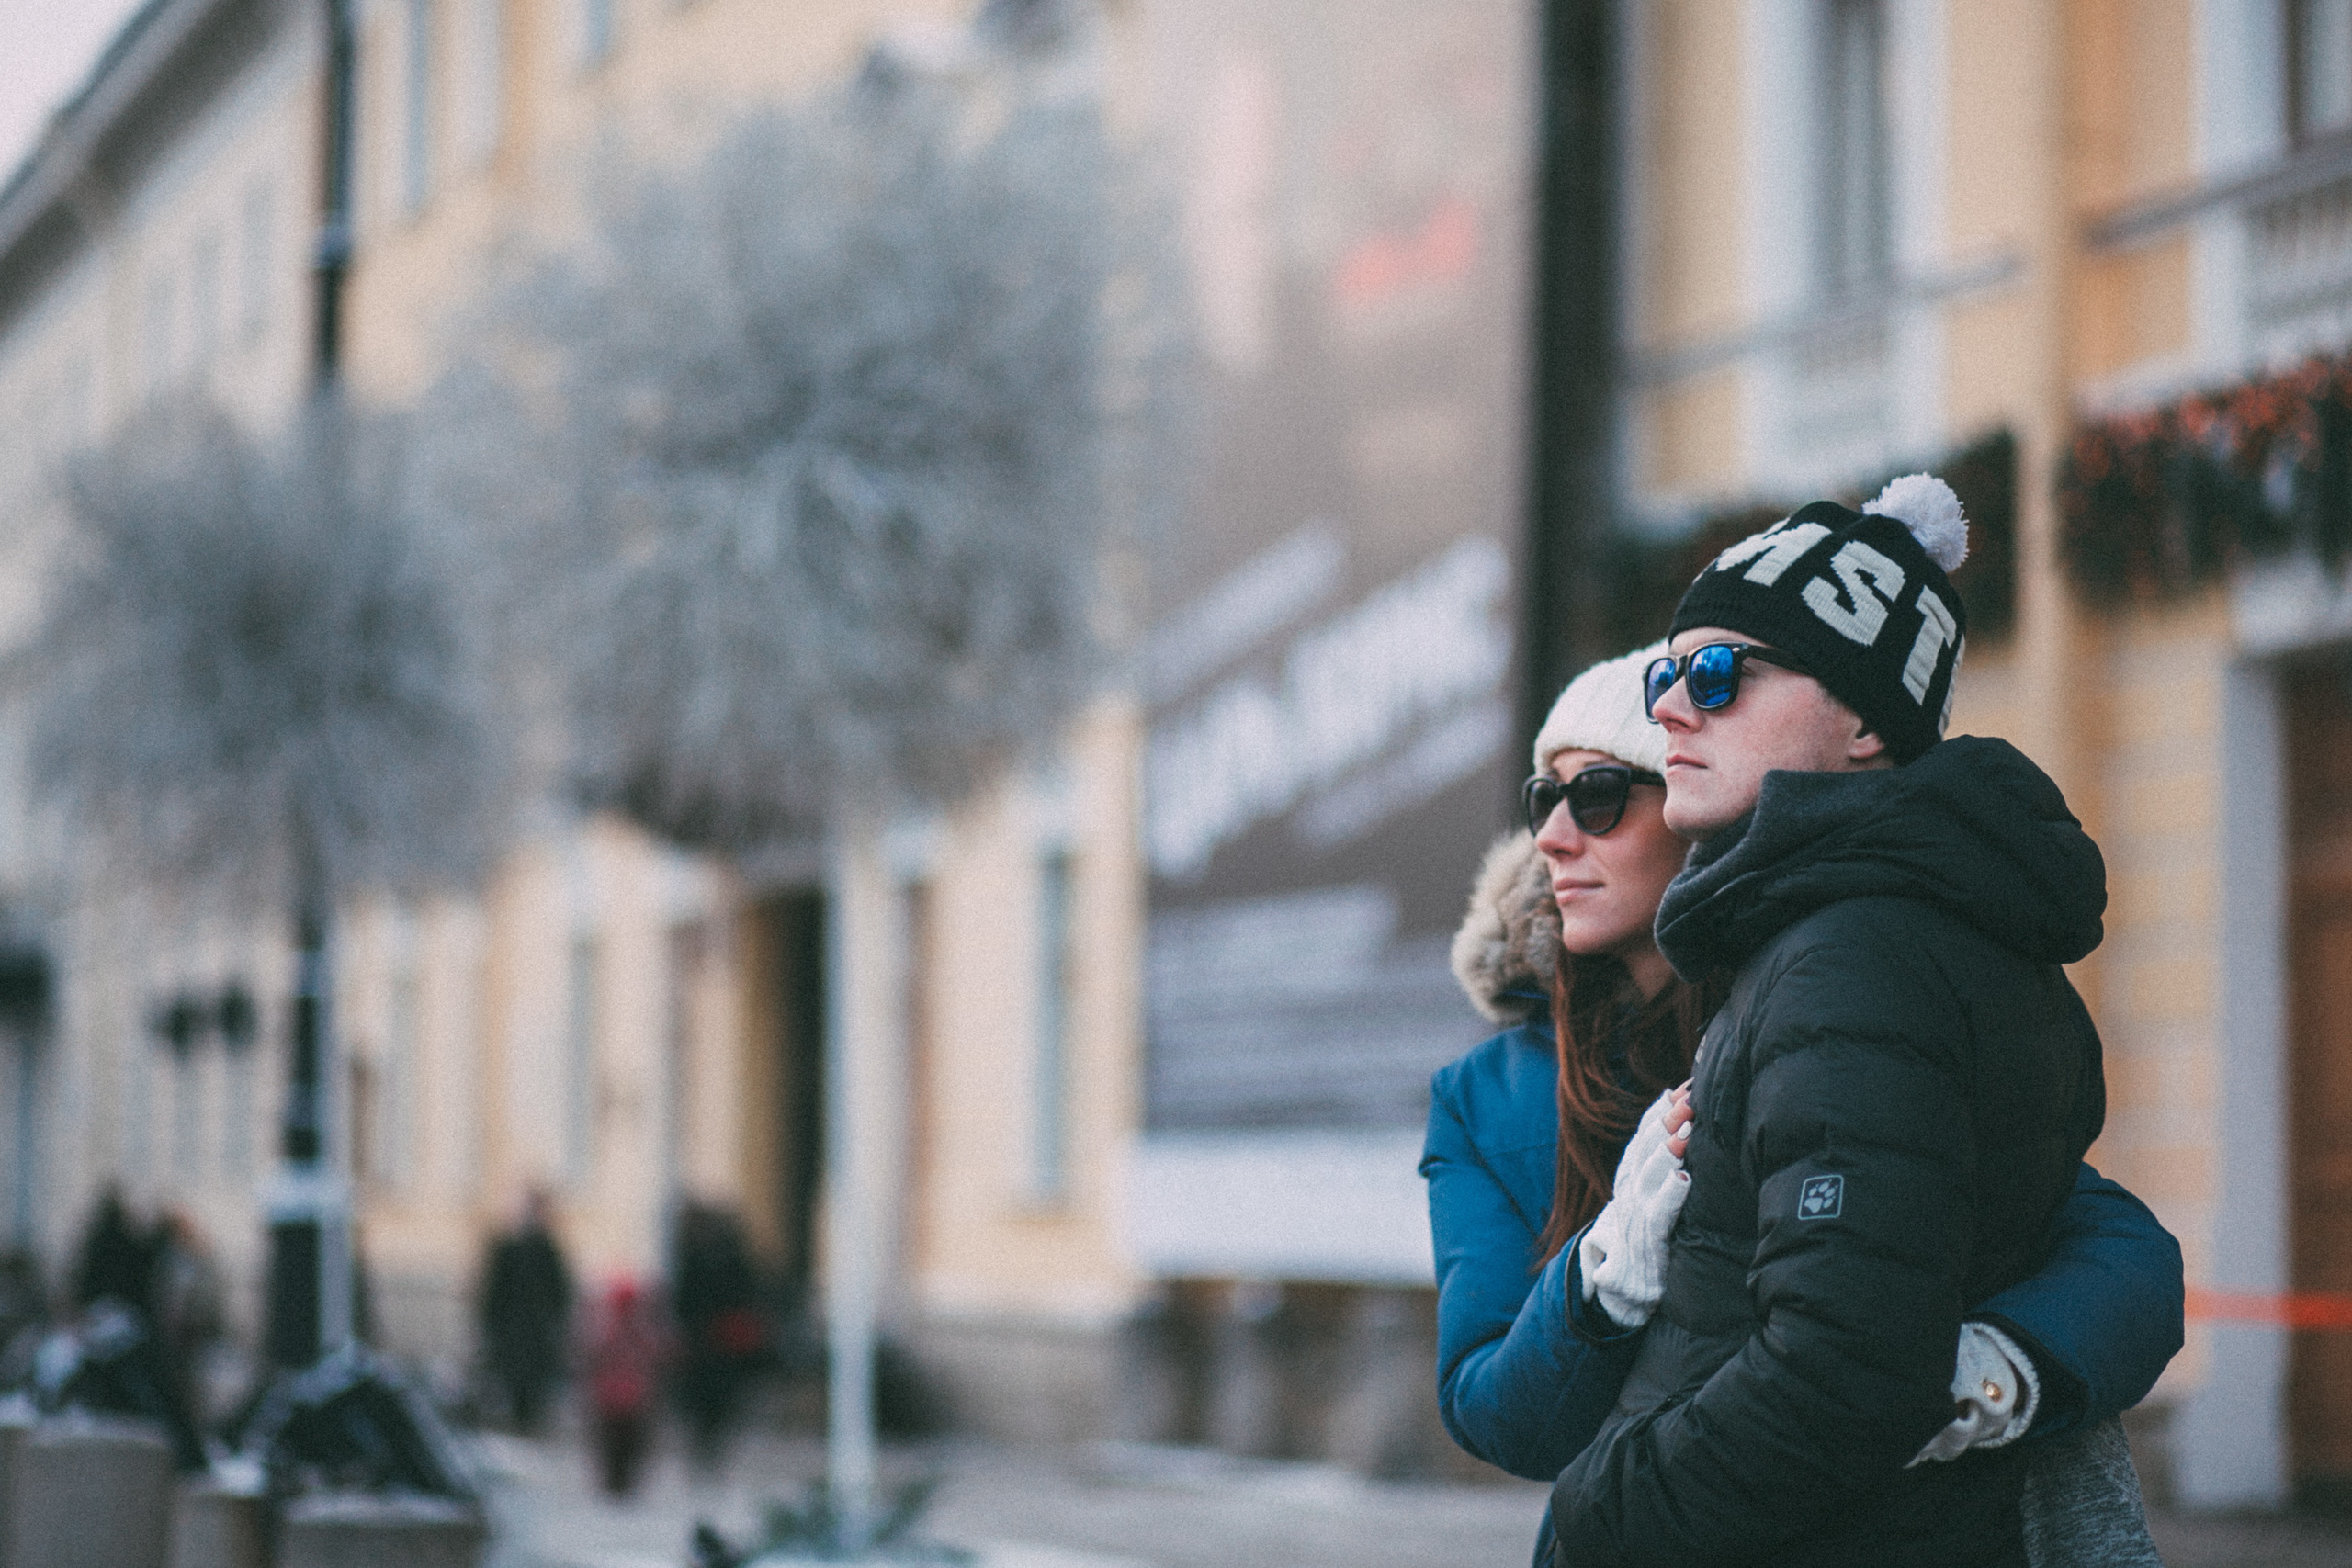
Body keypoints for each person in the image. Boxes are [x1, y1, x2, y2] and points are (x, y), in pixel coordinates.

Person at [1426, 636, 2178, 1566]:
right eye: (1546, 799)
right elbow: (1492, 1411)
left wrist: (1981, 1375)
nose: (1552, 836)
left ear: (1699, 812)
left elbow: (2116, 1247)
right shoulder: (1486, 1097)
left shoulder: (1827, 995)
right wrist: (1602, 1271)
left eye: (1600, 796)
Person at [479, 1189, 574, 1435]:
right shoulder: (509, 1247)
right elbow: (495, 1289)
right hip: (514, 1327)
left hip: (536, 1329)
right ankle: (520, 1420)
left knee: (534, 1380)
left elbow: (560, 1291)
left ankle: (529, 1421)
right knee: (515, 1377)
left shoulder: (547, 1249)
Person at [582, 1275, 668, 1497]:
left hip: (613, 1395)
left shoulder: (605, 1328)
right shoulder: (642, 1328)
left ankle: (615, 1479)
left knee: (614, 1441)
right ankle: (621, 1480)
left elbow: (591, 1355)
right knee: (628, 1442)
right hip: (632, 1395)